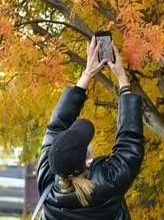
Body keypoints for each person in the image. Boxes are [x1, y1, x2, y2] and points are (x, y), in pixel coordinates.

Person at [36, 35, 144, 220]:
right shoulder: (107, 183)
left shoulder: (48, 184)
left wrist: (88, 74)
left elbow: (56, 126)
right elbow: (130, 139)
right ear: (88, 160)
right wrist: (120, 75)